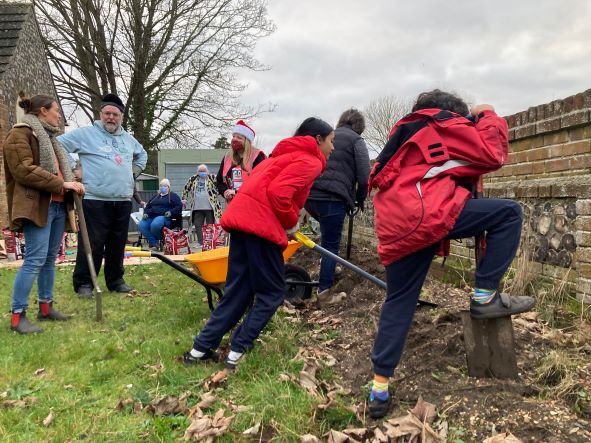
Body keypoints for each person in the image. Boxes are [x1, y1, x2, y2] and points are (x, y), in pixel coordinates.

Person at [366, 89, 535, 419]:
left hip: (396, 226)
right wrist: (486, 114)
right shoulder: (441, 124)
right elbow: (492, 154)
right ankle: (485, 296)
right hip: (425, 217)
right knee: (509, 213)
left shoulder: (404, 134)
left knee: (398, 301)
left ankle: (379, 389)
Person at [183, 117, 335, 370]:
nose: (333, 148)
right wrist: (291, 224)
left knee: (238, 291)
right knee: (272, 293)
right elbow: (279, 194)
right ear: (317, 139)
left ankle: (199, 350)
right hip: (260, 227)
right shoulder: (310, 161)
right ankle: (238, 350)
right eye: (331, 141)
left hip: (242, 223)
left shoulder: (280, 155)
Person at [3, 94, 85, 333]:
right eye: (56, 110)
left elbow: (62, 172)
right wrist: (62, 184)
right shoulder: (20, 134)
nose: (59, 115)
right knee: (34, 260)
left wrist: (74, 180)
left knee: (50, 259)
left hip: (58, 205)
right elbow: (24, 170)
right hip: (38, 205)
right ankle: (18, 316)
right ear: (42, 111)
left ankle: (46, 306)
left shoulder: (51, 138)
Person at [58, 93, 147, 297]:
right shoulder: (87, 134)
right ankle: (85, 283)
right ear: (101, 114)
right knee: (93, 243)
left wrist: (133, 172)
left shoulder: (128, 139)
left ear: (121, 117)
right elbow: (59, 144)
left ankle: (115, 280)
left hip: (123, 199)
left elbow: (143, 154)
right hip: (95, 199)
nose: (111, 118)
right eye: (107, 113)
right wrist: (72, 167)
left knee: (117, 243)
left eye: (115, 114)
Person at [305, 108, 370, 303]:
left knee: (328, 236)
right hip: (332, 198)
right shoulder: (356, 140)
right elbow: (365, 176)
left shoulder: (327, 137)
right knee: (332, 245)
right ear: (359, 127)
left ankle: (329, 265)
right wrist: (360, 199)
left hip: (310, 196)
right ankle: (324, 293)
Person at [216, 120, 266, 203]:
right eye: (234, 136)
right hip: (232, 204)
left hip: (251, 204)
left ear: (247, 142)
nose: (235, 139)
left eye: (239, 138)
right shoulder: (227, 157)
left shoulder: (257, 156)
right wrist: (225, 192)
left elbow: (260, 183)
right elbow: (219, 180)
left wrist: (237, 192)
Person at [182, 164, 222, 248]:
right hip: (197, 207)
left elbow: (220, 186)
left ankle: (209, 242)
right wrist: (184, 198)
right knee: (197, 225)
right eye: (200, 171)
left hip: (210, 207)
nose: (202, 172)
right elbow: (186, 189)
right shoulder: (193, 179)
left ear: (207, 171)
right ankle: (200, 242)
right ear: (197, 172)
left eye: (204, 171)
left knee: (210, 226)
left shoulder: (212, 178)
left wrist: (217, 193)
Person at [139, 178, 183, 249]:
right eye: (162, 186)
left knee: (155, 224)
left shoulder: (173, 196)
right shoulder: (155, 197)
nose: (163, 187)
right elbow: (148, 206)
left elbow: (179, 206)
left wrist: (171, 212)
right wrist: (146, 213)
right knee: (142, 225)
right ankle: (155, 243)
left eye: (165, 186)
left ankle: (161, 240)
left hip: (164, 216)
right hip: (151, 216)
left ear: (168, 187)